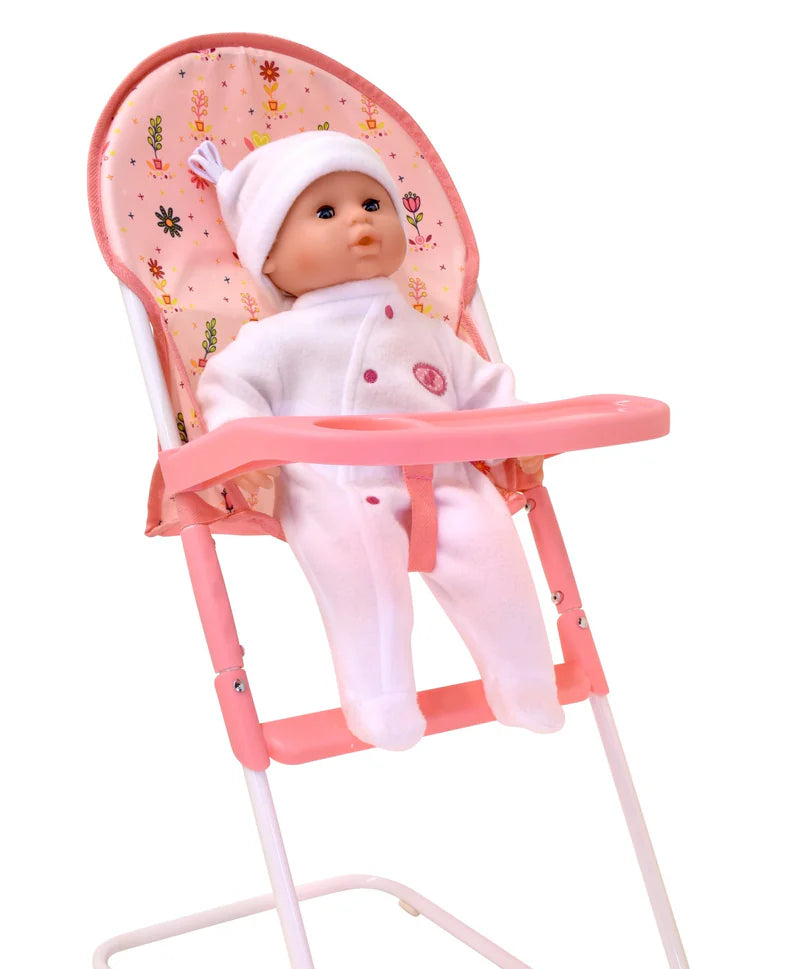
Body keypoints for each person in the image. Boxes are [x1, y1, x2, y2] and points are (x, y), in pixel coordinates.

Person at [190, 132, 564, 750]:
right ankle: (380, 698)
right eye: (325, 212)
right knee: (362, 578)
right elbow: (228, 386)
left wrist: (518, 433)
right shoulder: (277, 340)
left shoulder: (429, 332)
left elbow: (482, 386)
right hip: (338, 487)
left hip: (447, 480)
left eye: (372, 203)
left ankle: (526, 681)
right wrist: (244, 447)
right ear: (269, 258)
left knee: (496, 552)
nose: (358, 221)